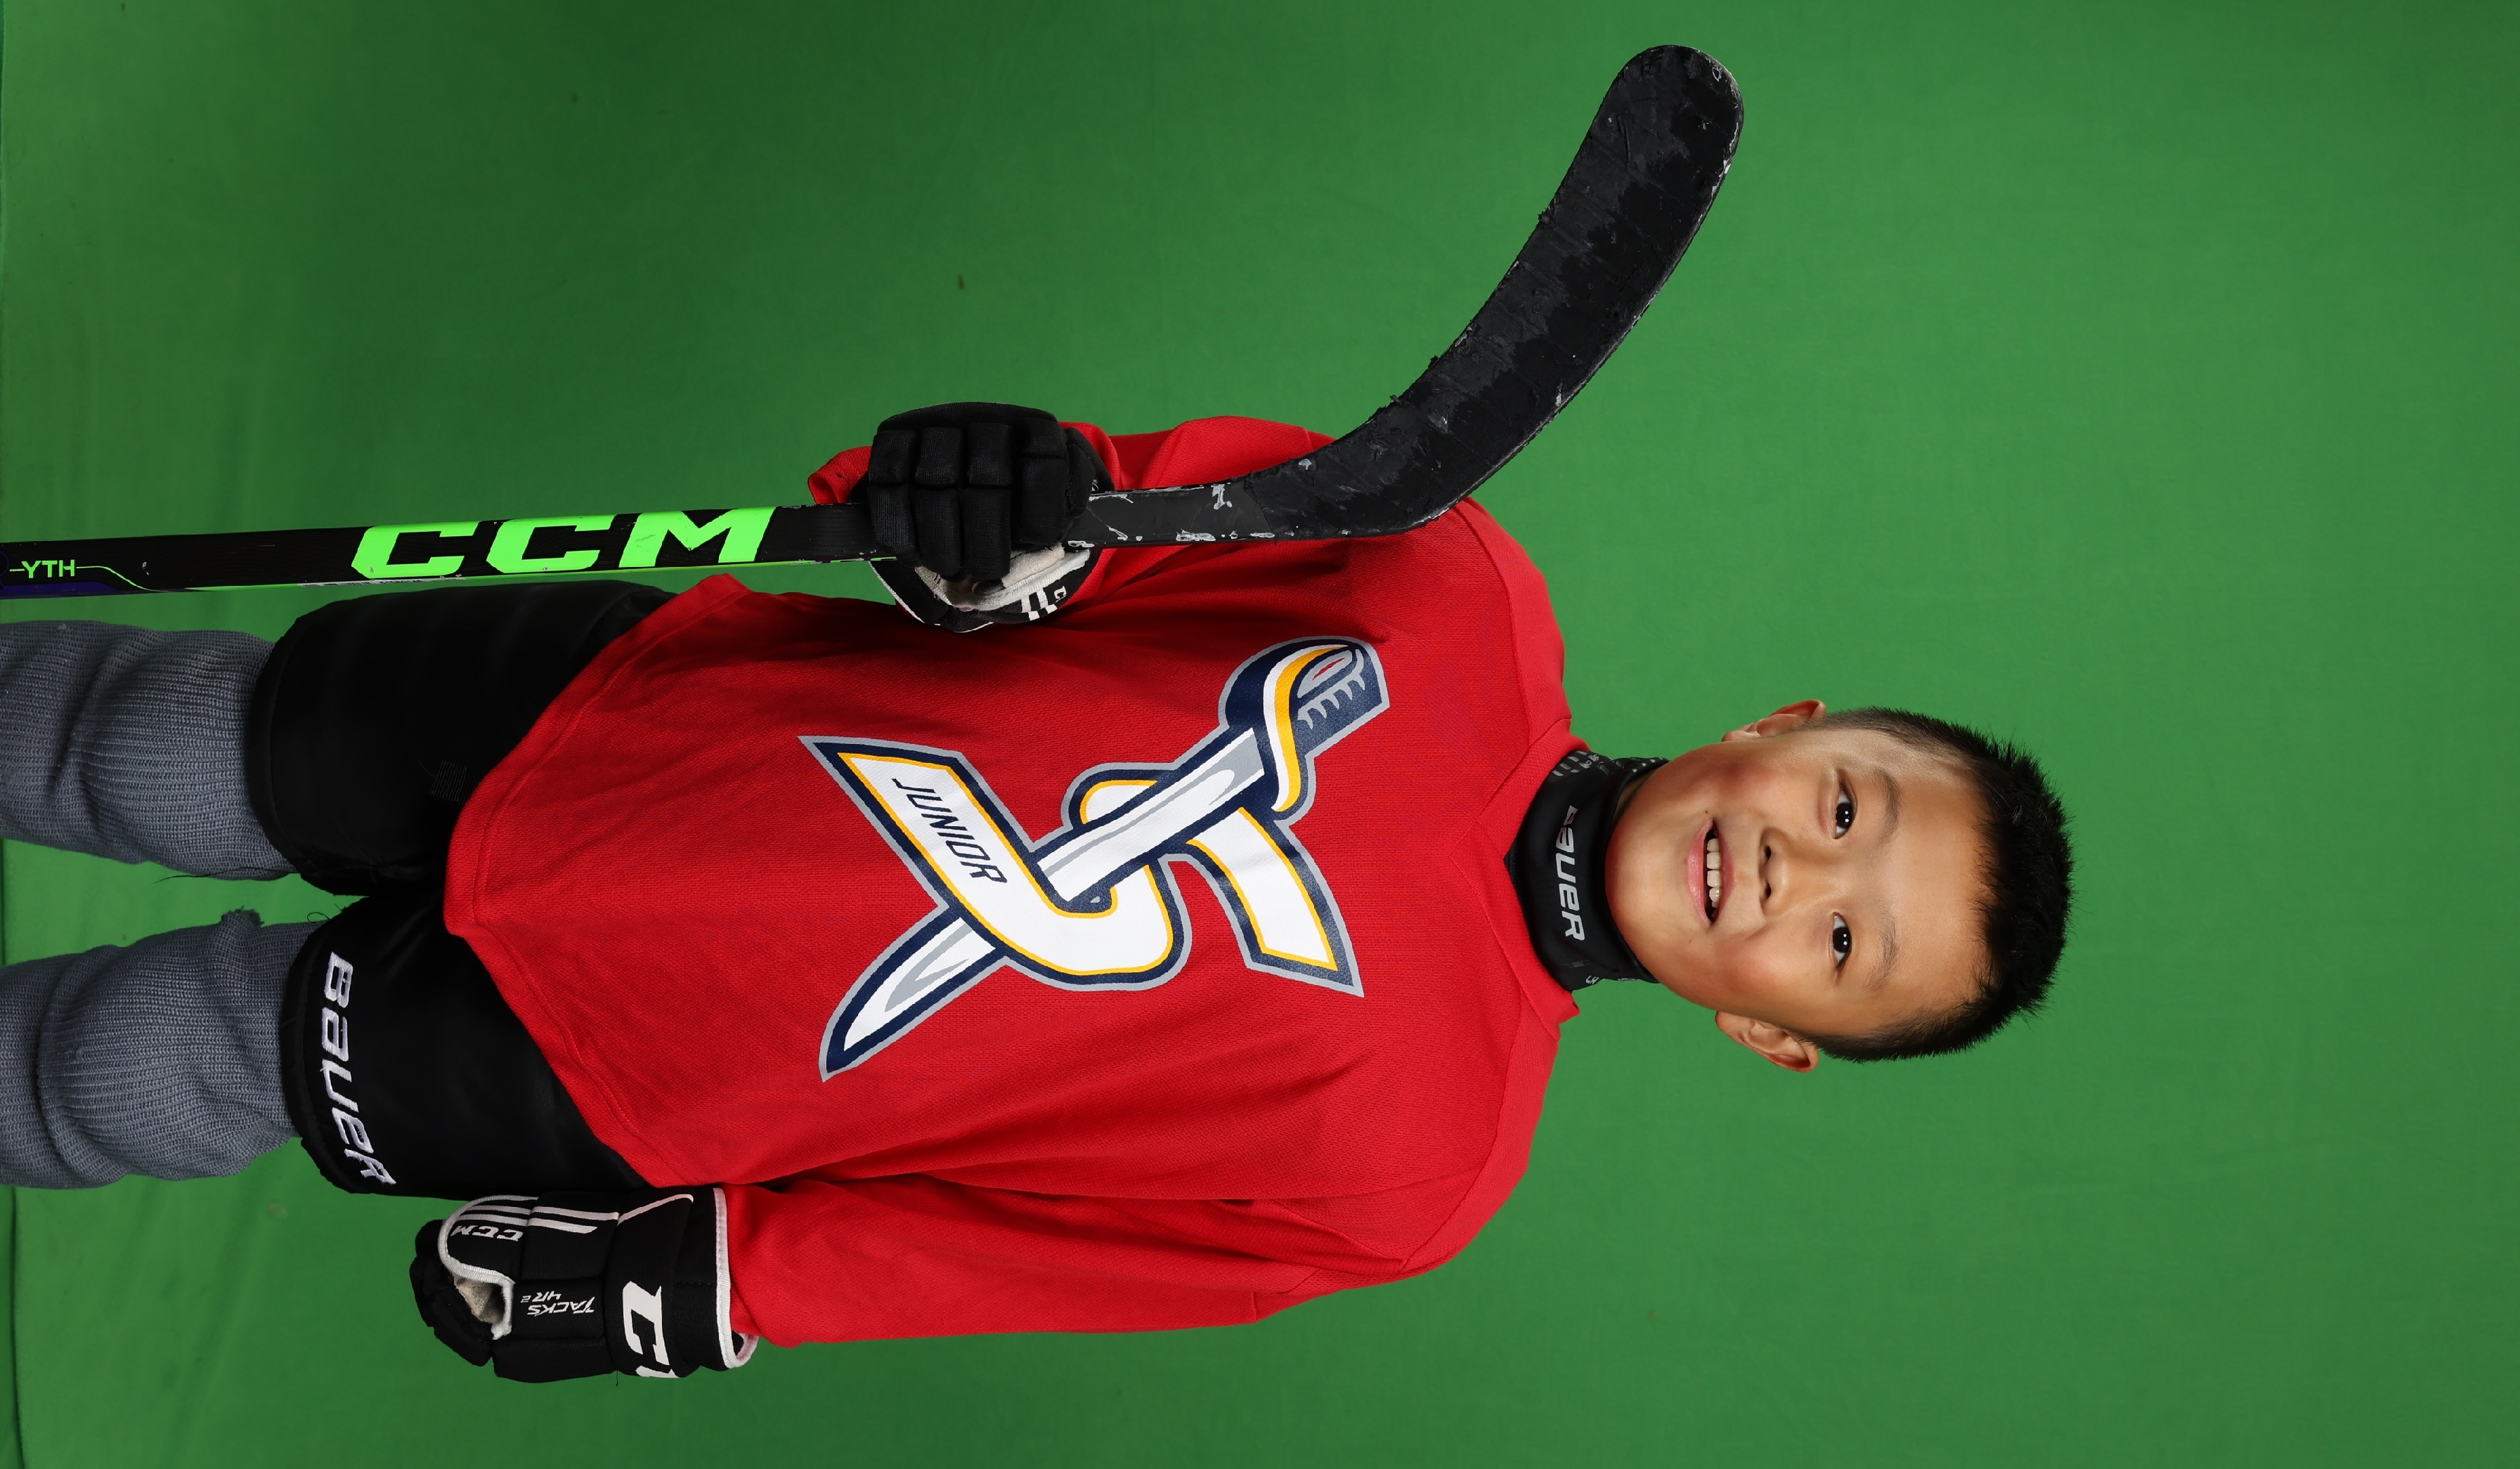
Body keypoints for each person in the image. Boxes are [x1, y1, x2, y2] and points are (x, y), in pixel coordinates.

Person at [0, 404, 2072, 1382]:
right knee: (128, 745)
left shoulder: (1420, 1175)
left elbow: (1009, 1247)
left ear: (1771, 1029)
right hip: (621, 721)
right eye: (1846, 803)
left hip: (623, 1075)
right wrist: (1000, 513)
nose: (1793, 867)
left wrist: (706, 1286)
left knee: (128, 1070)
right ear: (1789, 722)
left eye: (1840, 937)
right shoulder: (1442, 574)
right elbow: (1083, 513)